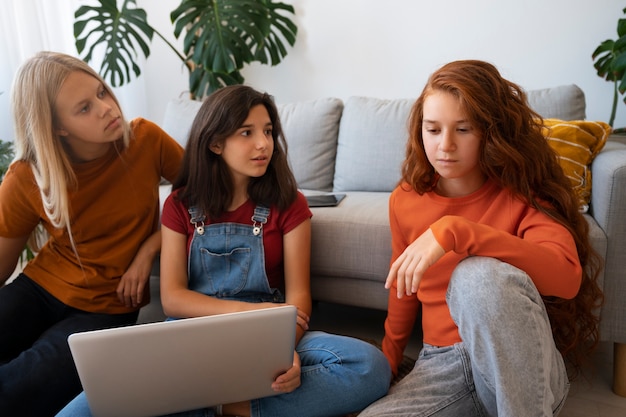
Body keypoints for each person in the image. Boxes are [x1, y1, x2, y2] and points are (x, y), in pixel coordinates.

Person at [57, 85, 391, 417]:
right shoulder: (179, 204)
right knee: (88, 405)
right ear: (215, 143)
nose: (263, 143)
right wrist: (247, 314)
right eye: (247, 132)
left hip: (269, 332)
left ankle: (228, 406)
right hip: (193, 331)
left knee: (368, 366)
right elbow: (173, 298)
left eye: (268, 131)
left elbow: (299, 298)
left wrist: (283, 346)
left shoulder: (289, 202)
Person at [359, 60, 604, 417]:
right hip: (442, 366)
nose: (445, 146)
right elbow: (403, 285)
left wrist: (456, 232)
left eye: (463, 129)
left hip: (519, 365)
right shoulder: (406, 198)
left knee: (476, 277)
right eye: (433, 129)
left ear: (491, 132)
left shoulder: (523, 192)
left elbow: (566, 279)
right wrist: (389, 361)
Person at [0, 51, 184, 416]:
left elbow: (202, 198)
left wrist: (148, 250)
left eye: (101, 92)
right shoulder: (27, 176)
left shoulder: (146, 139)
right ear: (56, 127)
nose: (106, 107)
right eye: (84, 108)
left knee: (24, 384)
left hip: (107, 305)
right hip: (40, 286)